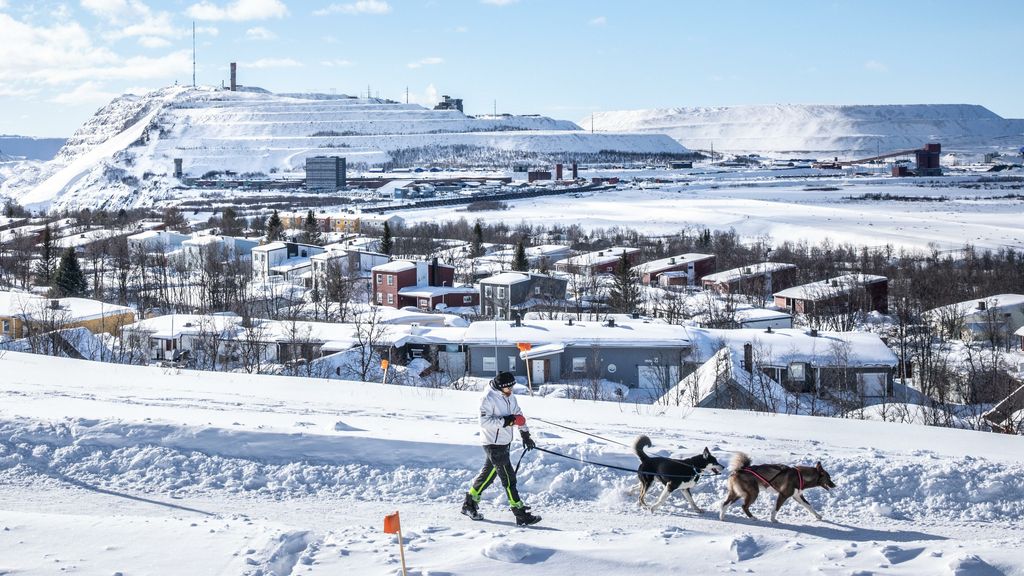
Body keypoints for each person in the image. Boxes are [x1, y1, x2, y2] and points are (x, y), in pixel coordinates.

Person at [461, 371, 541, 526]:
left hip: (504, 442)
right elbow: (484, 423)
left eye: (512, 387)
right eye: (508, 388)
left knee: (488, 475)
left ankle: (468, 504)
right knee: (509, 479)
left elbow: (518, 415)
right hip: (492, 443)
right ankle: (520, 513)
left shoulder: (510, 396)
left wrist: (525, 434)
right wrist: (507, 421)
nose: (511, 390)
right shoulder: (487, 398)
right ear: (500, 387)